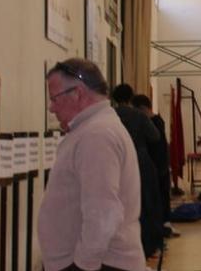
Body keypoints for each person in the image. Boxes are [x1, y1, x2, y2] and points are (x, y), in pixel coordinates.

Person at [39, 59, 145, 271]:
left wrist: (83, 265)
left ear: (77, 93)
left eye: (54, 99)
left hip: (99, 265)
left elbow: (103, 213)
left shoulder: (97, 135)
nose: (51, 108)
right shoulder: (92, 129)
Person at [111, 84, 163, 260]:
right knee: (147, 204)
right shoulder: (138, 115)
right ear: (131, 97)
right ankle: (148, 247)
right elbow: (155, 136)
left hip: (117, 163)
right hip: (141, 162)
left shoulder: (111, 116)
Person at [132, 94, 180, 239]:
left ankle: (163, 225)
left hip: (158, 167)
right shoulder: (154, 122)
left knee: (159, 198)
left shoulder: (154, 123)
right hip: (157, 166)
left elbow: (158, 148)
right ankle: (163, 225)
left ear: (143, 108)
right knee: (158, 198)